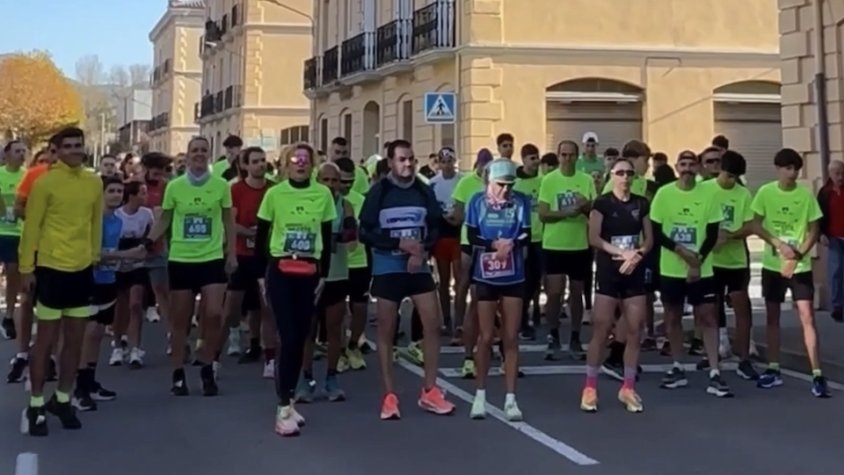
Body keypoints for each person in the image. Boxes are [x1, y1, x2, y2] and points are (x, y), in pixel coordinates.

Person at [359, 139, 455, 420]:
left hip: (418, 266)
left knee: (433, 324)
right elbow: (365, 231)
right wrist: (399, 243)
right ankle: (390, 395)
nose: (408, 164)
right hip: (388, 266)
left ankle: (430, 390)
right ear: (390, 162)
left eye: (411, 159)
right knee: (388, 330)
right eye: (402, 159)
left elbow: (436, 226)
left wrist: (422, 249)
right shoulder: (379, 191)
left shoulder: (423, 190)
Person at [19, 127, 103, 436]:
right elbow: (32, 228)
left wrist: (94, 255)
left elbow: (96, 222)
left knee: (75, 341)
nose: (74, 150)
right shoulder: (44, 183)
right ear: (57, 150)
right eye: (67, 146)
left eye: (78, 145)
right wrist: (27, 267)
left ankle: (63, 398)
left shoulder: (94, 182)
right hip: (51, 268)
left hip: (81, 269)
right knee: (46, 341)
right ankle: (37, 403)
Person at [144, 136, 237, 397]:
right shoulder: (175, 186)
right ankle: (178, 373)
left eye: (203, 150)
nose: (199, 154)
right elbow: (165, 219)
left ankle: (207, 368)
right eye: (194, 150)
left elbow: (229, 220)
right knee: (180, 320)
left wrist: (231, 253)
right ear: (187, 154)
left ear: (209, 154)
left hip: (211, 257)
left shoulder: (221, 185)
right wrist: (149, 240)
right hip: (182, 259)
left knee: (214, 314)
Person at [254, 143, 335, 436]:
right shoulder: (274, 194)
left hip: (310, 271)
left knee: (301, 337)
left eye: (305, 160)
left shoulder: (323, 194)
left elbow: (326, 237)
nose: (300, 164)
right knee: (287, 337)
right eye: (295, 159)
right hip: (280, 270)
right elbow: (262, 237)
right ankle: (283, 405)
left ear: (312, 164)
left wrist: (324, 275)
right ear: (286, 165)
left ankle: (288, 400)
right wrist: (263, 277)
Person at [650, 150, 731, 397]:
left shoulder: (709, 194)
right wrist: (681, 251)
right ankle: (677, 367)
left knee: (708, 317)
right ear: (676, 167)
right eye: (682, 164)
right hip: (671, 268)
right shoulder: (664, 194)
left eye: (691, 164)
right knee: (673, 317)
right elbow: (656, 231)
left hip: (702, 269)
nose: (686, 168)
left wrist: (697, 262)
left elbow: (712, 232)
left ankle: (715, 371)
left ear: (697, 168)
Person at [751, 148, 829, 397]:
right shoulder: (765, 192)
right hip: (773, 265)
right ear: (778, 169)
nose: (792, 173)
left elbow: (814, 228)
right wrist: (779, 245)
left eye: (796, 169)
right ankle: (774, 369)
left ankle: (817, 373)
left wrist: (797, 256)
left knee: (807, 317)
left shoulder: (805, 196)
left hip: (799, 267)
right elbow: (755, 224)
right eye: (788, 168)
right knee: (772, 317)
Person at [581, 158, 652, 413]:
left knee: (635, 329)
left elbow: (649, 239)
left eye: (629, 173)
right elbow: (594, 237)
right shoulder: (602, 203)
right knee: (602, 328)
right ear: (612, 175)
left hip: (633, 271)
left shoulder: (641, 203)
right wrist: (620, 253)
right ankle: (590, 387)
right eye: (620, 172)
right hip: (609, 272)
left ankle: (628, 387)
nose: (625, 177)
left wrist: (638, 254)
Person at [464, 159, 530, 421]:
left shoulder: (521, 201)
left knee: (511, 337)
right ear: (489, 182)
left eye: (510, 185)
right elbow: (471, 236)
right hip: (486, 275)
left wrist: (511, 243)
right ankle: (480, 395)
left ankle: (511, 399)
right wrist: (493, 245)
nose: (506, 190)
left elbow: (527, 232)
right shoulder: (476, 202)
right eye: (501, 185)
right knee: (486, 335)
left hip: (513, 274)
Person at [73, 177, 144, 411]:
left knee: (99, 331)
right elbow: (91, 254)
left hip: (109, 280)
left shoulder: (116, 221)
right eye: (111, 190)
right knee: (90, 332)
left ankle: (90, 381)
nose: (115, 195)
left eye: (119, 191)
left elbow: (111, 253)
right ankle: (79, 388)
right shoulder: (95, 220)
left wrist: (122, 262)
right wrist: (126, 255)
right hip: (90, 281)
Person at [297, 162, 356, 402]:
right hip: (309, 273)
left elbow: (351, 241)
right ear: (317, 180)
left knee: (334, 328)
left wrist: (329, 237)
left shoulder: (346, 205)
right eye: (326, 180)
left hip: (337, 273)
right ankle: (306, 379)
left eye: (335, 181)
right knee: (307, 330)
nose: (331, 185)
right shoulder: (308, 201)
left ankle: (331, 378)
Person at [701, 151, 758, 380]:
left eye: (736, 177)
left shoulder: (743, 194)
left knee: (741, 306)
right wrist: (710, 238)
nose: (731, 180)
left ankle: (743, 358)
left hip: (735, 261)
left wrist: (731, 235)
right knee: (710, 309)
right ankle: (712, 355)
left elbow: (750, 225)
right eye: (729, 175)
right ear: (719, 169)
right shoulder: (705, 189)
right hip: (711, 261)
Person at [538, 140, 596, 360]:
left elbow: (595, 212)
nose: (567, 159)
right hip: (554, 244)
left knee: (577, 293)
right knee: (554, 293)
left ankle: (574, 337)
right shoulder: (549, 180)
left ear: (577, 157)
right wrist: (566, 213)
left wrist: (584, 207)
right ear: (558, 156)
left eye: (571, 155)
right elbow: (543, 214)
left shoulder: (586, 180)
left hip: (579, 244)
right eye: (563, 155)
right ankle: (553, 335)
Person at [225, 147, 276, 376]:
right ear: (245, 165)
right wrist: (250, 233)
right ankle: (226, 341)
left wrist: (265, 234)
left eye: (263, 160)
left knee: (264, 306)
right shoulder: (235, 189)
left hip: (264, 256)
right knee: (233, 306)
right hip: (241, 255)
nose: (260, 165)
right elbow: (230, 224)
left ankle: (264, 351)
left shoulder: (274, 189)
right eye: (255, 161)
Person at [108, 182, 154, 368]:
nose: (146, 195)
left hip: (138, 262)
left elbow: (151, 237)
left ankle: (136, 348)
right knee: (120, 307)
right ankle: (118, 345)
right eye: (142, 193)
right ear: (132, 195)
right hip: (118, 262)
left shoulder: (146, 214)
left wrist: (145, 250)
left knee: (135, 304)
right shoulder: (118, 214)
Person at [334, 157, 369, 369]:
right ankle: (338, 351)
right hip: (337, 262)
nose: (347, 186)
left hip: (359, 260)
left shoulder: (360, 201)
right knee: (337, 310)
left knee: (360, 307)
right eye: (343, 181)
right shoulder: (328, 199)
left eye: (351, 181)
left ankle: (354, 345)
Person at [429, 147, 462, 333]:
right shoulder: (433, 183)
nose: (447, 165)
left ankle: (459, 320)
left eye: (450, 161)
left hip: (457, 234)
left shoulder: (462, 180)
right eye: (443, 161)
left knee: (459, 279)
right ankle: (446, 318)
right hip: (441, 236)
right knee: (443, 280)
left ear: (455, 161)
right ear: (439, 163)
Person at [513, 144, 543, 339]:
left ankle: (533, 313)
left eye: (536, 158)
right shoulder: (515, 184)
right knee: (523, 281)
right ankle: (521, 320)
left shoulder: (543, 181)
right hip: (522, 238)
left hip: (541, 237)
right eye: (531, 158)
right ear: (523, 160)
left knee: (535, 282)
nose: (535, 162)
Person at [0, 140, 26, 340]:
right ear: (6, 154)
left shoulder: (27, 176)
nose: (21, 154)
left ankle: (8, 315)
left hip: (16, 233)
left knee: (12, 273)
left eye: (23, 151)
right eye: (17, 151)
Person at [817, 159, 844, 322]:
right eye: (837, 173)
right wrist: (820, 234)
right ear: (830, 174)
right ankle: (838, 306)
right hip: (834, 237)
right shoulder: (825, 192)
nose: (840, 177)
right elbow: (818, 215)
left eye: (842, 173)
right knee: (836, 270)